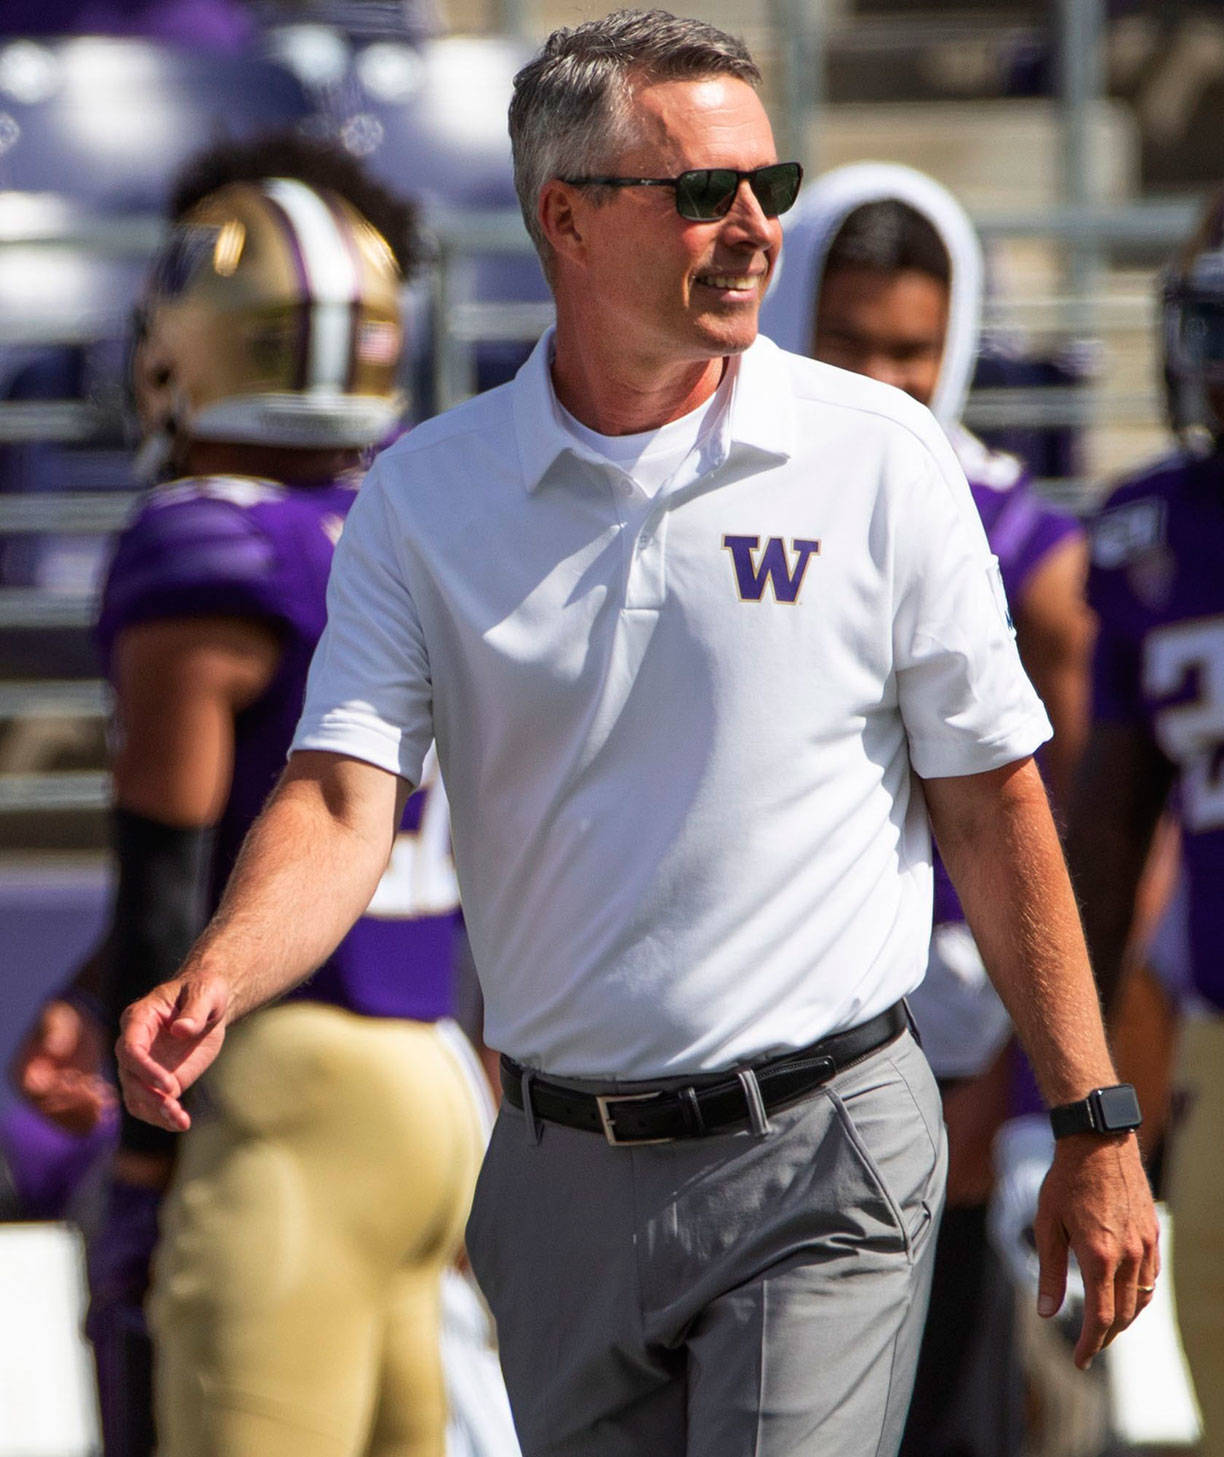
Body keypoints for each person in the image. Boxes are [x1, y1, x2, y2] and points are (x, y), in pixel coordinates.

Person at [117, 13, 1158, 1457]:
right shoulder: (425, 498)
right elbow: (343, 798)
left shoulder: (884, 457)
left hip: (826, 1145)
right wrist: (218, 973)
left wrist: (1095, 1119)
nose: (751, 227)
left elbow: (996, 803)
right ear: (565, 219)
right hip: (553, 1172)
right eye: (700, 191)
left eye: (767, 185)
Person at [15, 132, 497, 1457]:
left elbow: (175, 871)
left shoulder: (199, 541)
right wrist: (89, 988)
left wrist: (148, 1157)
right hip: (436, 1085)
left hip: (284, 1087)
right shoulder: (417, 519)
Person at [761, 162, 1093, 1457]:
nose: (889, 381)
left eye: (916, 349)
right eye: (851, 344)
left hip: (958, 1019)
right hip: (775, 1003)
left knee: (947, 1382)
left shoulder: (1027, 546)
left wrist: (1042, 1081)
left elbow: (1077, 829)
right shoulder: (724, 498)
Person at [1067, 155, 1224, 1457]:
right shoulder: (1154, 531)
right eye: (1218, 335)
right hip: (1223, 1040)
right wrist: (1087, 1089)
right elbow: (1106, 828)